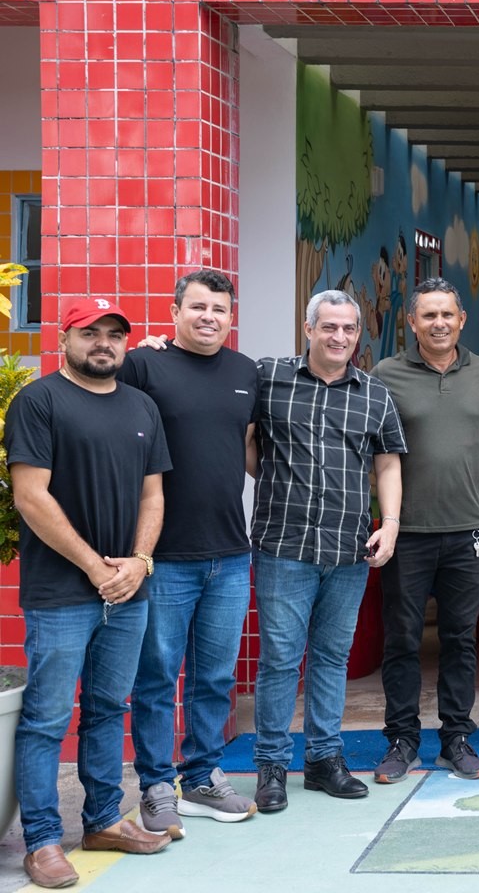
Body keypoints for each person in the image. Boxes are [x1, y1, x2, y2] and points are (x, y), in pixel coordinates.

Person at [6, 297, 173, 889]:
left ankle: (102, 820)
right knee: (47, 718)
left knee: (108, 709)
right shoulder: (39, 401)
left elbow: (153, 496)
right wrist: (94, 567)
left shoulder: (142, 406)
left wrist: (139, 563)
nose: (103, 343)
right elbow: (30, 496)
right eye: (89, 332)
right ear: (64, 339)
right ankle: (42, 841)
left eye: (114, 334)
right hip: (60, 593)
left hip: (127, 592)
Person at [248, 290, 407, 812]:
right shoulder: (269, 378)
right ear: (309, 328)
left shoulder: (374, 393)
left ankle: (322, 760)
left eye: (349, 328)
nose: (340, 337)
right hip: (284, 545)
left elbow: (387, 463)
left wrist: (390, 524)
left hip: (348, 548)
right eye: (329, 326)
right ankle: (272, 765)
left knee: (332, 657)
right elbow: (247, 442)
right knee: (279, 660)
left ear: (358, 334)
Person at [121, 270, 260, 837]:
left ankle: (201, 776)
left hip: (229, 551)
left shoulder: (245, 371)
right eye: (198, 307)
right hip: (164, 556)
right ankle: (157, 785)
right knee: (157, 677)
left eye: (219, 309)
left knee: (215, 677)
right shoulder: (143, 366)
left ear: (231, 317)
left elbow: (248, 448)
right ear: (175, 311)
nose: (209, 317)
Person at [370, 278, 479, 783]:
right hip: (405, 532)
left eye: (447, 314)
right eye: (428, 315)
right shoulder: (386, 374)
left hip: (467, 529)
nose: (439, 323)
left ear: (462, 319)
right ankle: (402, 740)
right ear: (412, 322)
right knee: (402, 639)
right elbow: (373, 452)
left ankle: (456, 739)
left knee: (460, 639)